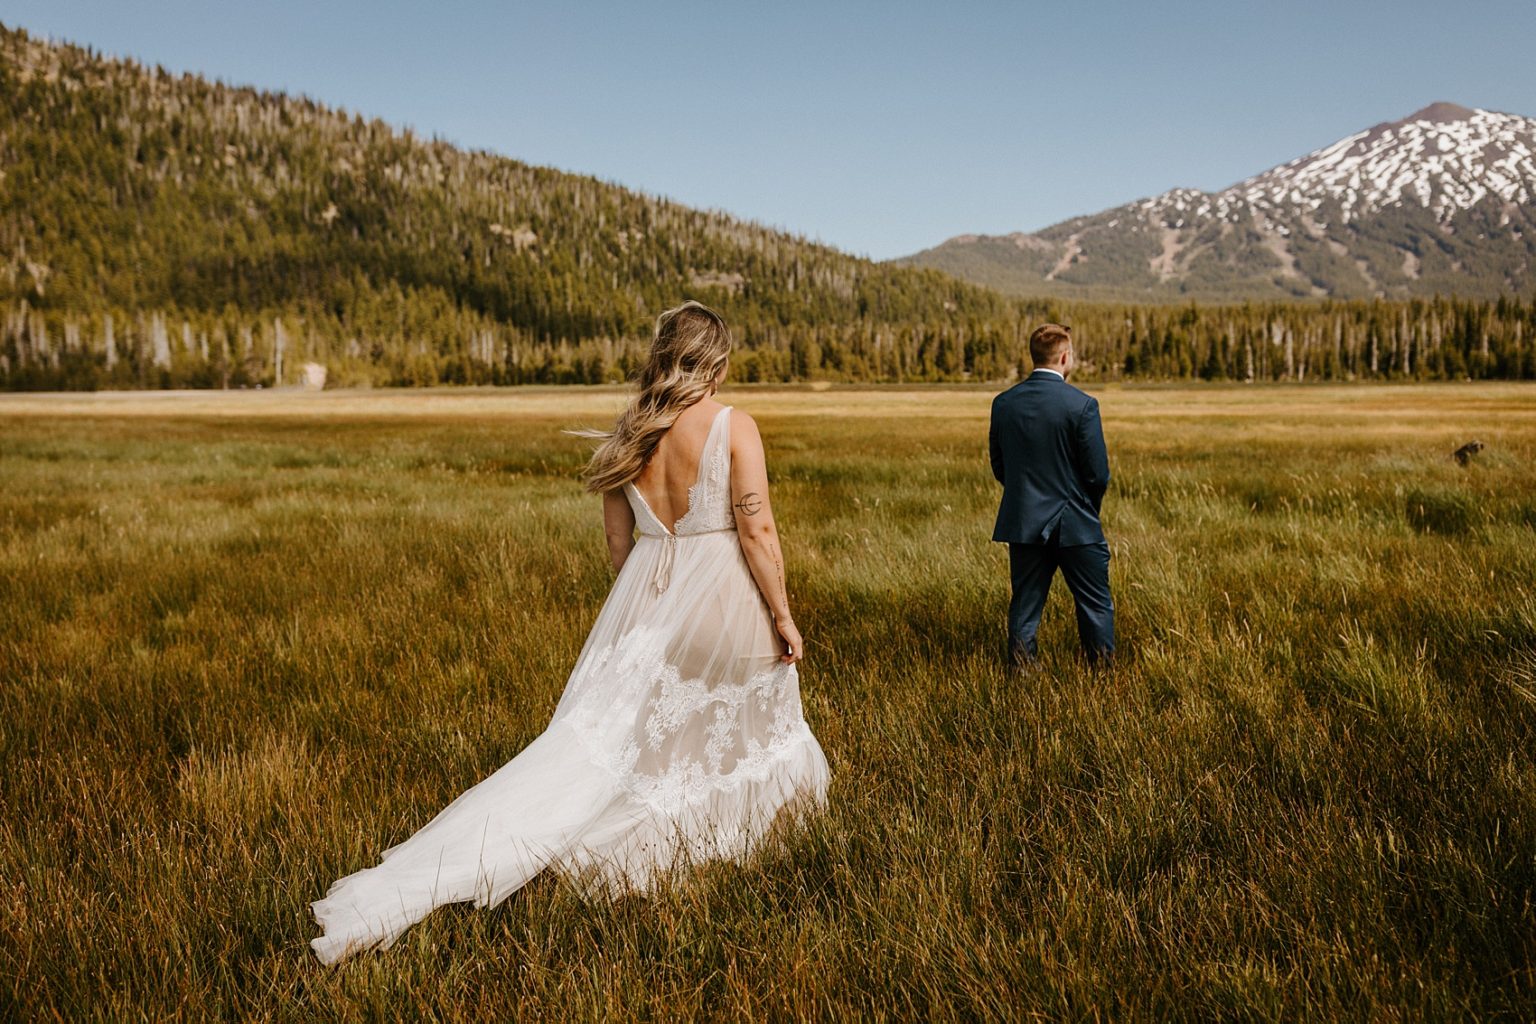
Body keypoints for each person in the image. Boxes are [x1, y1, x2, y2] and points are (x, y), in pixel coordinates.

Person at [310, 301, 829, 964]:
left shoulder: (628, 434)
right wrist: (782, 615)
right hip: (724, 593)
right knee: (748, 724)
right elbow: (755, 529)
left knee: (642, 738)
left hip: (649, 594)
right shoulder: (734, 426)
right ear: (716, 362)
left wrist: (650, 609)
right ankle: (713, 842)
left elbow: (620, 545)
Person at [988, 323, 1115, 666]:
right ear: (1064, 357)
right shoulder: (1083, 405)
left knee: (1025, 608)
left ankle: (1022, 680)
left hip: (1025, 522)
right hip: (1077, 524)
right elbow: (1098, 474)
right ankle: (1101, 675)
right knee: (1094, 605)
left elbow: (1000, 466)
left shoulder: (1004, 404)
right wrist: (1088, 508)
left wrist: (1027, 497)